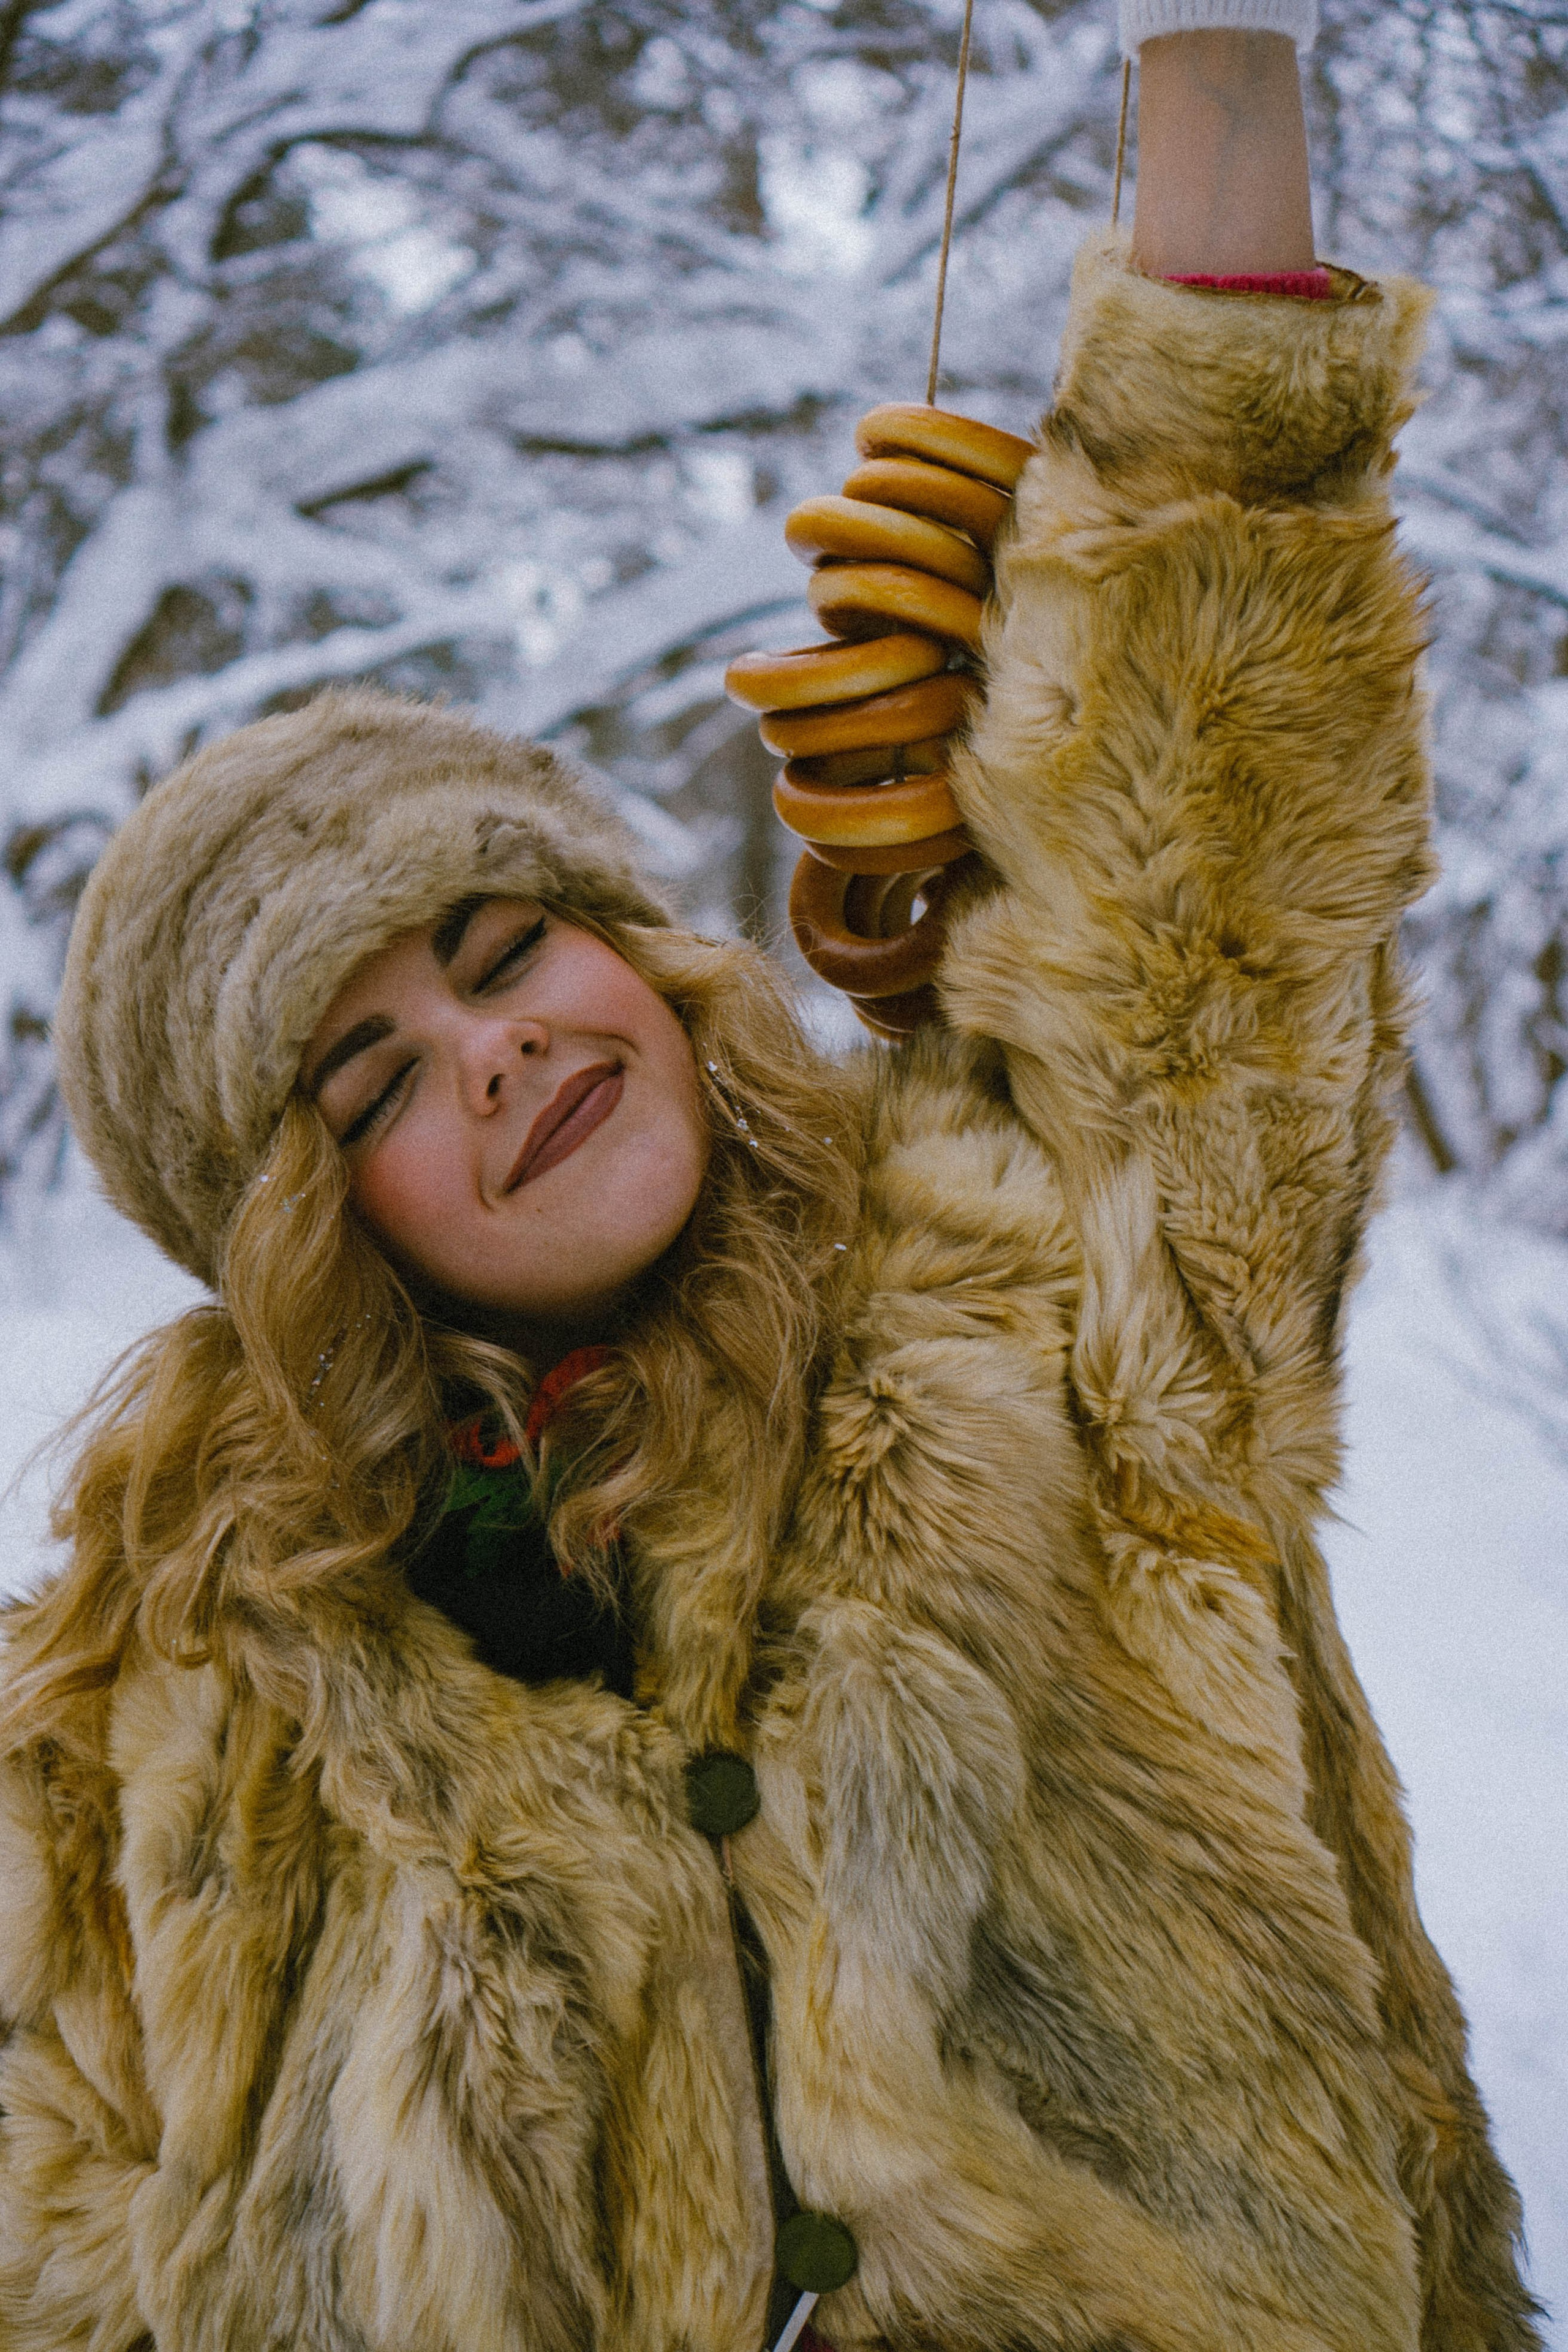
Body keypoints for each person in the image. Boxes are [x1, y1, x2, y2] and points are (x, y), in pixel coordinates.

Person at [0, 6, 1543, 2349]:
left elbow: (1216, 830)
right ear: (315, 1239)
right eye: (372, 1081)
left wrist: (1215, 56)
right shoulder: (153, 1696)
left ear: (642, 964)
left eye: (510, 947)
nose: (495, 1045)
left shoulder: (1040, 1303)